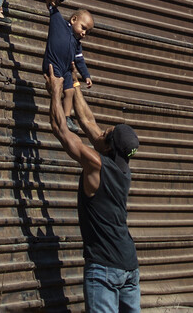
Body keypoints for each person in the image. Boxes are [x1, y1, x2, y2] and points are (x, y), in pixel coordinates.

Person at [45, 65, 141, 312]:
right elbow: (88, 121)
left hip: (105, 268)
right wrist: (73, 83)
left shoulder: (96, 164)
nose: (102, 130)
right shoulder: (123, 168)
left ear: (108, 146)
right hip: (129, 265)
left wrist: (54, 92)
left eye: (107, 132)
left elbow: (60, 130)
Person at [43, 0, 95, 133]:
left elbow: (80, 61)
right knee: (57, 88)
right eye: (83, 28)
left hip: (66, 69)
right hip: (53, 64)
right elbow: (52, 5)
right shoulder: (59, 23)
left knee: (70, 91)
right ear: (73, 20)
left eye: (87, 32)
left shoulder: (77, 44)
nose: (84, 33)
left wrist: (86, 75)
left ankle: (67, 117)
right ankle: (57, 116)